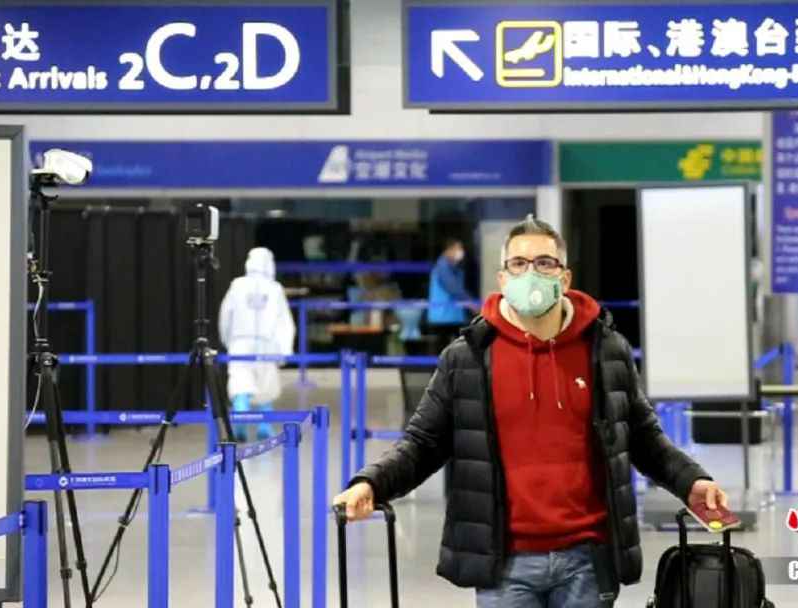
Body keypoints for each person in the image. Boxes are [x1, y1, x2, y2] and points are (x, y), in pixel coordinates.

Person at [334, 215, 726, 607]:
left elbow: (642, 438)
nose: (531, 273)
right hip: (504, 563)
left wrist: (691, 480)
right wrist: (372, 483)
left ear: (565, 278)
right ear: (503, 279)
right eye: (519, 264)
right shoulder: (468, 357)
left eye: (544, 263)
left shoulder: (606, 350)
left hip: (588, 560)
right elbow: (423, 443)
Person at [218, 247, 296, 442]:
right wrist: (284, 350)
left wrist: (227, 340)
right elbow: (284, 322)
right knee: (265, 387)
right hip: (267, 345)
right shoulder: (275, 289)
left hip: (240, 343)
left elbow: (225, 316)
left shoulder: (237, 285)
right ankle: (264, 426)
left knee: (240, 385)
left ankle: (239, 426)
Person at [427, 238, 475, 349]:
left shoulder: (455, 267)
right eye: (457, 248)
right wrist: (471, 304)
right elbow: (454, 288)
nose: (461, 252)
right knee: (445, 349)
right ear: (448, 250)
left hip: (452, 316)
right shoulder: (443, 267)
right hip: (443, 317)